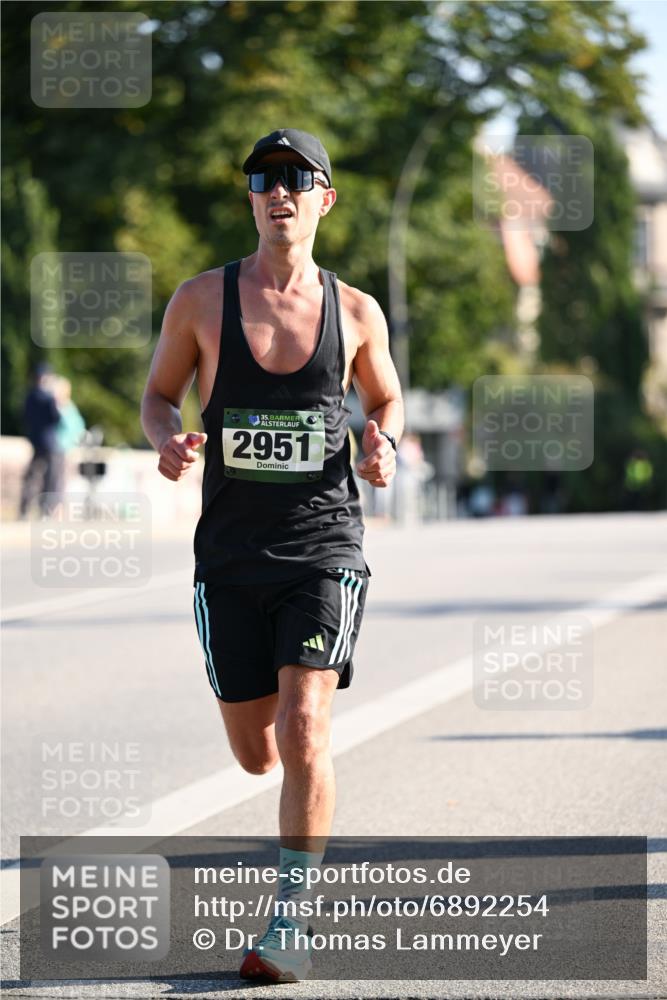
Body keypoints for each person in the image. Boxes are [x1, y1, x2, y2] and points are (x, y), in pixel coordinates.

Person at [141, 128, 404, 983]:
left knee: (304, 728)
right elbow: (157, 394)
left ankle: (290, 919)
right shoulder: (199, 300)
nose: (279, 191)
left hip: (324, 545)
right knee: (258, 751)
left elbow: (386, 397)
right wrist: (167, 440)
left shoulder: (357, 311)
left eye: (298, 178)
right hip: (228, 555)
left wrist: (384, 445)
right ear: (251, 198)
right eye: (264, 178)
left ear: (326, 198)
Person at [18, 362, 62, 518]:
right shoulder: (49, 398)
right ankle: (44, 511)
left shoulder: (29, 396)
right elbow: (56, 418)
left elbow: (25, 417)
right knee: (49, 479)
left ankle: (23, 510)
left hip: (35, 440)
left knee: (31, 477)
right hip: (49, 443)